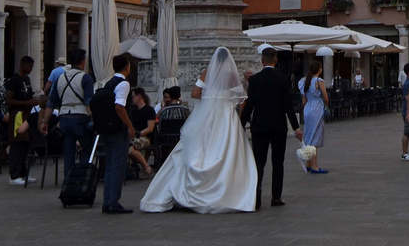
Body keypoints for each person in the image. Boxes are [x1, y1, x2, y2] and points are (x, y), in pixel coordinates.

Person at [139, 47, 257, 213]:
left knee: (200, 147)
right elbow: (241, 98)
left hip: (209, 115)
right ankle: (227, 191)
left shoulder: (208, 72)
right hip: (227, 116)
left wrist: (210, 96)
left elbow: (195, 93)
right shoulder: (232, 75)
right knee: (228, 150)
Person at [244, 47, 302, 207]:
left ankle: (256, 196)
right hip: (278, 126)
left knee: (259, 162)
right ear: (276, 60)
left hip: (259, 126)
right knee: (278, 162)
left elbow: (249, 105)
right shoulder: (282, 79)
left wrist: (240, 124)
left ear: (262, 61)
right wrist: (296, 128)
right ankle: (276, 197)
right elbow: (288, 107)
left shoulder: (254, 80)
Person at [97, 53, 136, 214]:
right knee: (118, 165)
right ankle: (113, 201)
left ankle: (107, 201)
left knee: (110, 165)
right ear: (127, 67)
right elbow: (119, 107)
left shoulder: (108, 83)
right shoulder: (123, 84)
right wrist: (130, 126)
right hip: (117, 129)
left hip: (106, 128)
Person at [52, 48, 94, 176]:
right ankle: (83, 178)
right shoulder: (86, 78)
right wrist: (93, 118)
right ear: (82, 61)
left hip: (64, 117)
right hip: (81, 117)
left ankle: (68, 180)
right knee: (87, 149)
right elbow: (88, 102)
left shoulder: (60, 79)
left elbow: (51, 103)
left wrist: (44, 121)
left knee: (68, 152)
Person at [298, 58, 329, 173]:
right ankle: (315, 166)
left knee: (309, 134)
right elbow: (325, 97)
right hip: (317, 108)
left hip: (308, 108)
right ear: (319, 70)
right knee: (315, 135)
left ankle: (309, 163)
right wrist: (326, 105)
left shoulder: (304, 81)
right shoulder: (319, 81)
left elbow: (304, 100)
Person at [127, 87, 158, 177]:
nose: (131, 100)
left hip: (145, 137)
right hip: (133, 135)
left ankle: (146, 166)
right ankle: (137, 165)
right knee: (126, 145)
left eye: (133, 97)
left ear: (139, 96)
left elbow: (150, 128)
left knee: (129, 147)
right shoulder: (132, 111)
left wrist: (138, 134)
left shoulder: (149, 110)